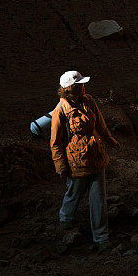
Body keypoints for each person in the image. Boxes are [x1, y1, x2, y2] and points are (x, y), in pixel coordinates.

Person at [50, 70, 120, 251]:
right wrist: (60, 166)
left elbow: (100, 125)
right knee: (74, 193)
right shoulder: (60, 112)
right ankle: (65, 218)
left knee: (98, 199)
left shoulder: (89, 100)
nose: (84, 87)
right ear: (71, 89)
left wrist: (110, 140)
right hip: (77, 163)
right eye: (80, 85)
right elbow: (55, 142)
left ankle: (101, 237)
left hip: (97, 158)